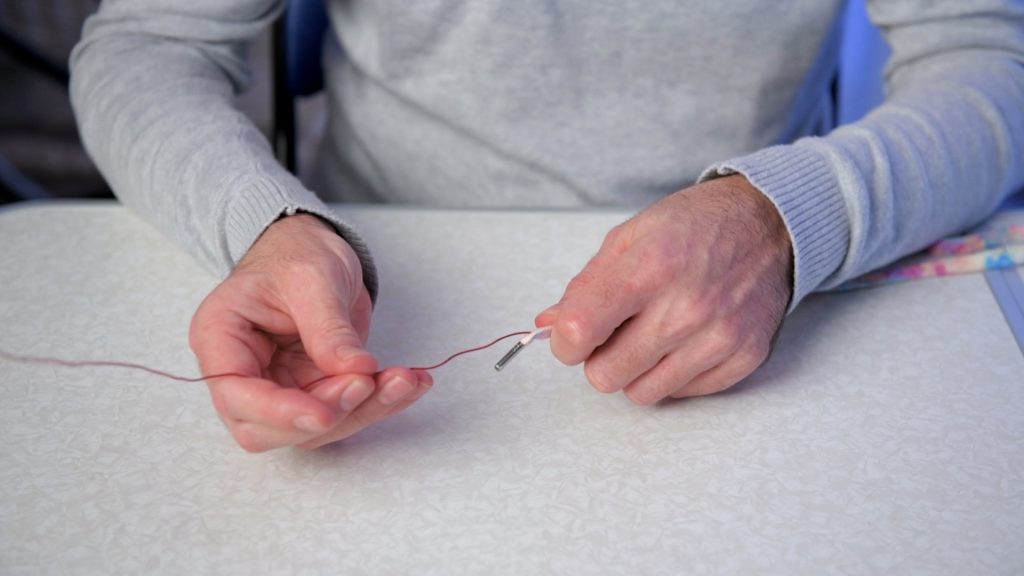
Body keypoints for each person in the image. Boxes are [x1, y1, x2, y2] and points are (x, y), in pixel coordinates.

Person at [70, 1, 1024, 452]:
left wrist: (786, 218)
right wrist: (269, 224)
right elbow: (147, 45)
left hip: (770, 326)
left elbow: (989, 60)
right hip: (379, 277)